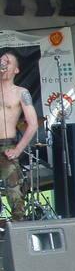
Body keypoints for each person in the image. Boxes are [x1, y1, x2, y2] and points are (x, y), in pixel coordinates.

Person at [0, 50, 39, 222]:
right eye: (1, 61)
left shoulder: (21, 92)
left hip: (7, 145)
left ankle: (17, 228)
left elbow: (33, 124)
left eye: (7, 62)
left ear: (16, 70)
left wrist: (17, 150)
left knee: (15, 192)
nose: (3, 64)